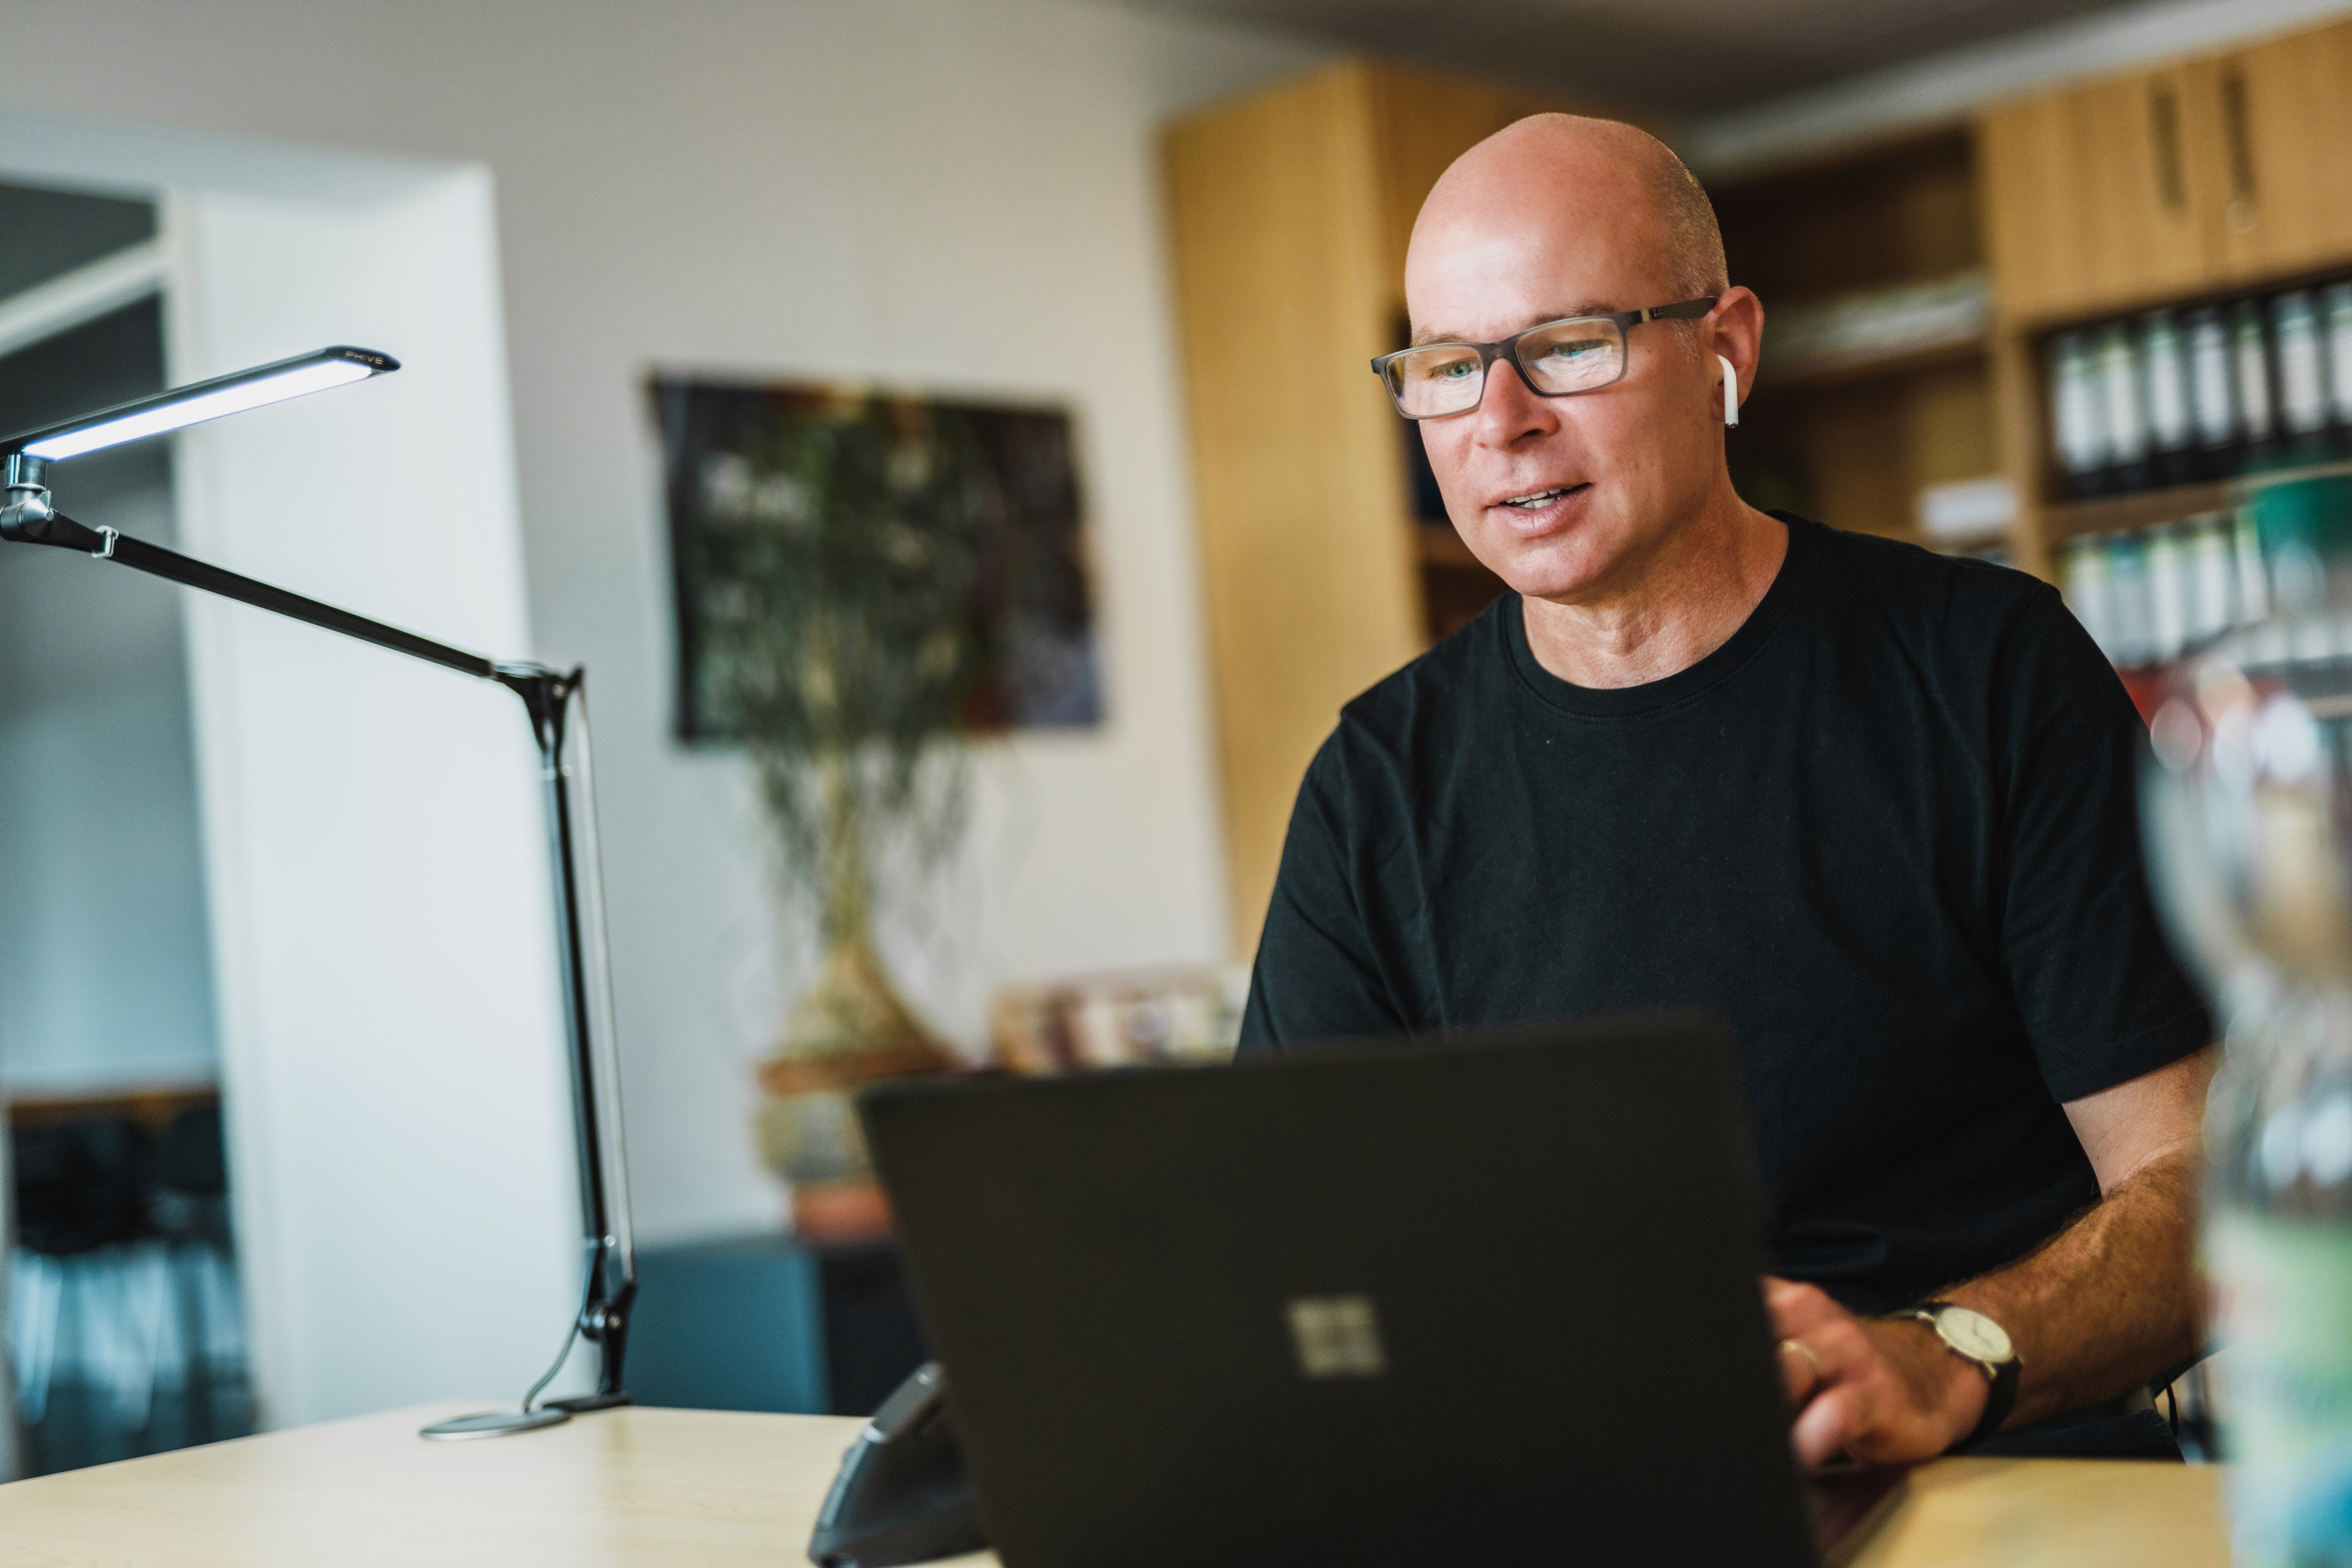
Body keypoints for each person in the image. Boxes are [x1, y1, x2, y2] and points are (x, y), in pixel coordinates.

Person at [1235, 113, 2215, 1467]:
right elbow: (1300, 1267)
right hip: (1577, 1493)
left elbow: (2201, 1186)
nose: (1501, 423)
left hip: (1979, 1468)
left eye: (1568, 346)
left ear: (1726, 351)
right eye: (1448, 368)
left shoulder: (1990, 672)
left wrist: (1948, 1358)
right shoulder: (1373, 789)